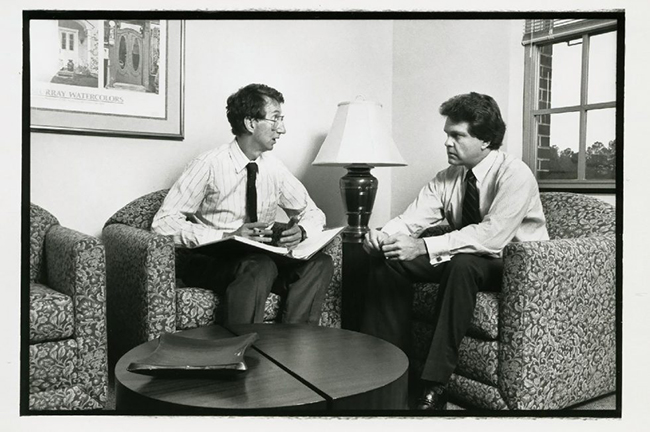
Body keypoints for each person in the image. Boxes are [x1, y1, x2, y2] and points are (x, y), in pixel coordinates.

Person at [360, 92, 549, 410]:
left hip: (515, 266)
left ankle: (434, 385)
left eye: (457, 135)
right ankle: (386, 372)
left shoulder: (515, 174)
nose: (447, 143)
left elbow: (491, 237)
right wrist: (383, 237)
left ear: (485, 140)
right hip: (469, 258)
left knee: (462, 264)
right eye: (447, 134)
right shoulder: (448, 177)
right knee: (388, 260)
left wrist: (420, 245)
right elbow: (411, 220)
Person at [152, 83, 334, 325]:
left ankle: (292, 345)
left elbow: (312, 212)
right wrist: (227, 235)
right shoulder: (209, 164)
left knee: (320, 263)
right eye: (276, 119)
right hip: (211, 262)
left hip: (260, 261)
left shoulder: (273, 168)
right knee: (260, 266)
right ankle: (236, 352)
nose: (282, 129)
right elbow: (162, 223)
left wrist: (302, 230)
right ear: (250, 123)